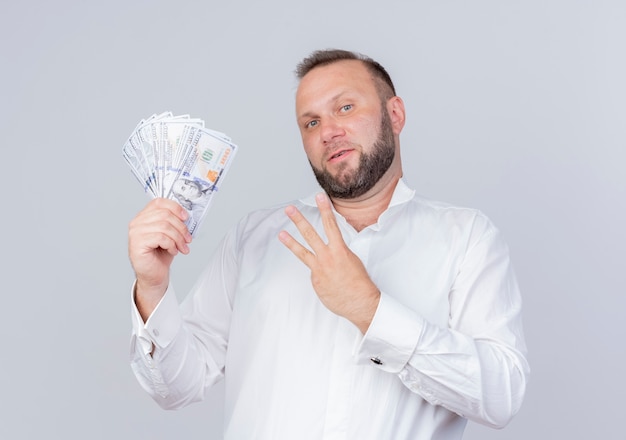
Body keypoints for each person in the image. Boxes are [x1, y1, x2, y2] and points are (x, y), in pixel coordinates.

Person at [128, 49, 530, 439]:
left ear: (395, 114)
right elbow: (177, 387)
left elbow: (500, 396)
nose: (329, 132)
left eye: (345, 108)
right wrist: (152, 287)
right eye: (311, 122)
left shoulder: (468, 238)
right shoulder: (253, 238)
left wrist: (371, 311)